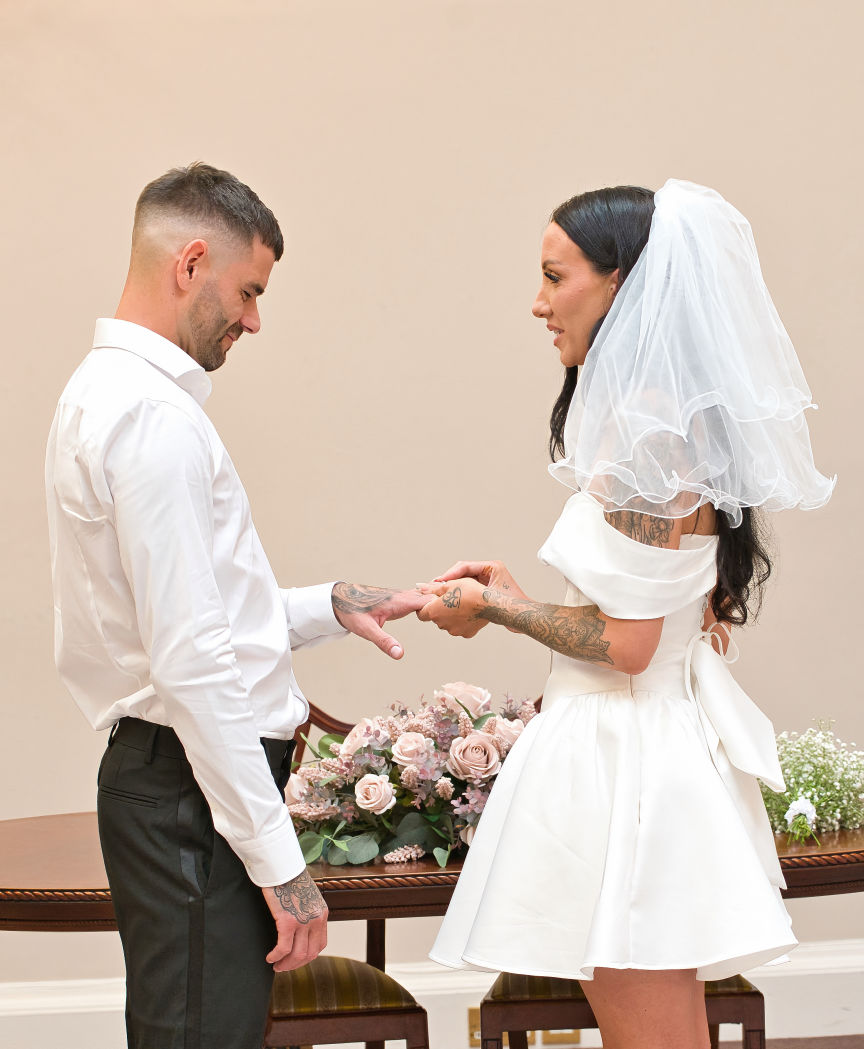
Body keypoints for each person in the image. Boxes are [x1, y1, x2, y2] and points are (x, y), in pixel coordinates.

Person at [418, 180, 835, 1049]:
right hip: (651, 751)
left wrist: (495, 608)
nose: (538, 304)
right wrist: (526, 600)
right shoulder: (669, 429)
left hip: (625, 770)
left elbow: (630, 645)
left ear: (622, 283)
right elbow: (658, 616)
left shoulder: (642, 439)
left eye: (554, 277)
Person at [45, 162, 429, 1049]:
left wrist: (331, 605)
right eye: (248, 290)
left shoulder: (105, 394)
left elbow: (188, 620)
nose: (254, 318)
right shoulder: (150, 418)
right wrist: (278, 859)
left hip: (177, 781)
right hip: (193, 792)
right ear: (190, 262)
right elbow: (187, 659)